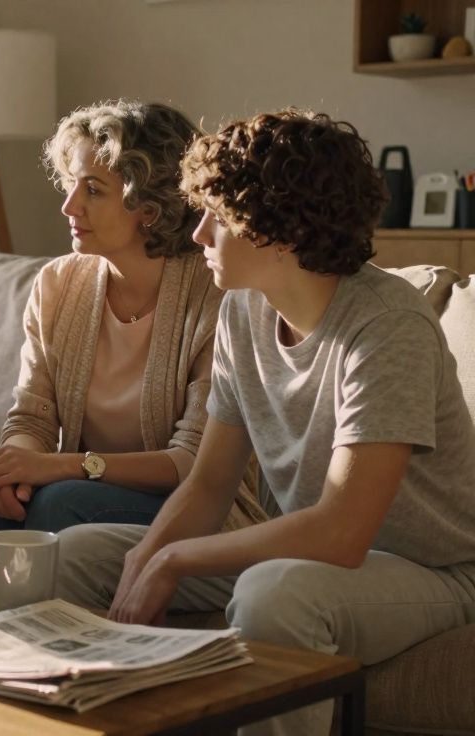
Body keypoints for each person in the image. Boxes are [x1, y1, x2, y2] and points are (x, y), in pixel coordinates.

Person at [56, 109, 475, 736]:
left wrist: (176, 561)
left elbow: (342, 534)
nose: (199, 233)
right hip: (307, 555)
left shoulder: (388, 328)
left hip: (430, 572)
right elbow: (208, 485)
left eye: (218, 218)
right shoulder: (242, 312)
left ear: (283, 232)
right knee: (71, 557)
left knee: (274, 594)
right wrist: (146, 558)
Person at [0, 100, 263, 584]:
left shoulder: (215, 294)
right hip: (80, 487)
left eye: (93, 190)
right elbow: (32, 416)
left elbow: (192, 461)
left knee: (61, 502)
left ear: (150, 208)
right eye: (72, 184)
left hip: (195, 507)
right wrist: (15, 469)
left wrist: (64, 467)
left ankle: (55, 633)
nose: (69, 206)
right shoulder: (58, 285)